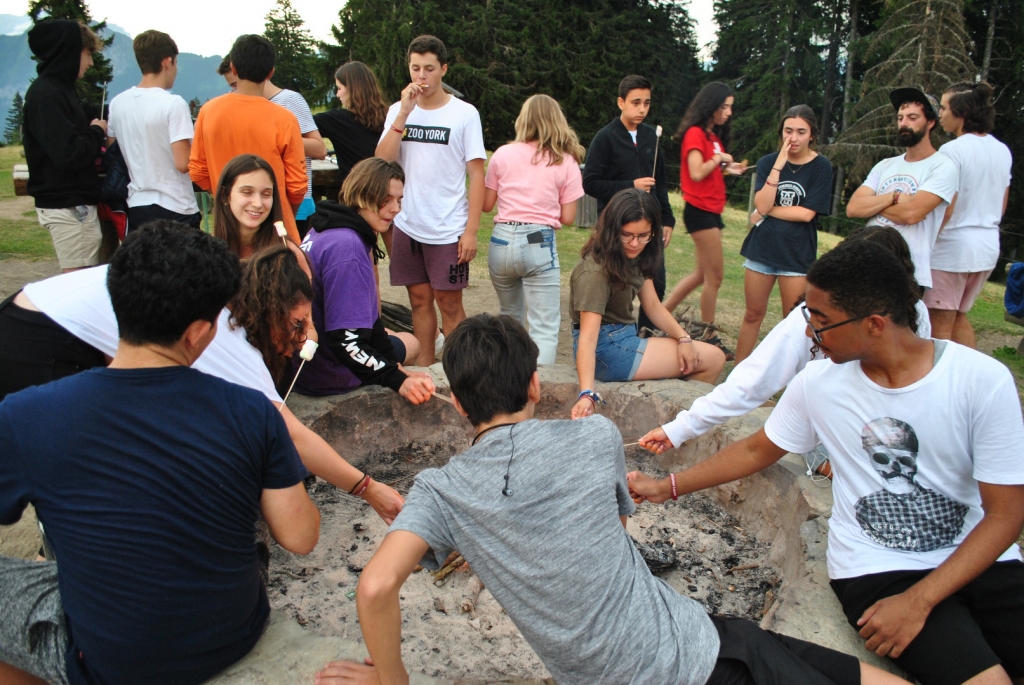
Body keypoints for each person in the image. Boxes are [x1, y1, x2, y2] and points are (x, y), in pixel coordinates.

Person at [314, 313, 910, 685]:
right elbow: (602, 529)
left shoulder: (441, 491)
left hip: (674, 653)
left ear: (460, 405)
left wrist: (390, 680)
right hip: (691, 654)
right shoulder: (595, 435)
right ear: (532, 385)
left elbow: (374, 587)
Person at [631, 240, 1024, 685]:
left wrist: (922, 601)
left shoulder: (981, 381)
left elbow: (1006, 515)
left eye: (820, 321)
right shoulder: (819, 383)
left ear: (874, 324)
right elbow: (758, 448)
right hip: (881, 568)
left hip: (984, 559)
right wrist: (668, 486)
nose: (807, 333)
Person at [0, 223, 321, 685]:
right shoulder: (252, 410)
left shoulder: (28, 414)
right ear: (197, 332)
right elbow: (301, 536)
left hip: (115, 660)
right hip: (232, 633)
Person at [2, 238, 404, 524]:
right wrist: (370, 489)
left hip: (36, 306)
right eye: (297, 324)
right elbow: (293, 436)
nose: (304, 337)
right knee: (75, 465)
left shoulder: (226, 301)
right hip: (38, 336)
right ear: (267, 310)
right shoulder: (224, 335)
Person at [641, 226, 931, 478]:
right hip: (829, 436)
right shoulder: (814, 365)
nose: (811, 332)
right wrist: (678, 432)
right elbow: (750, 388)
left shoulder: (917, 322)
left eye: (822, 325)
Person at [375, 34, 486, 367]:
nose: (421, 77)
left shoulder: (464, 114)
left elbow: (477, 176)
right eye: (415, 68)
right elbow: (382, 160)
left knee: (449, 305)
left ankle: (459, 368)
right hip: (408, 223)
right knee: (419, 300)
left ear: (443, 70)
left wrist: (470, 231)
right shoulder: (399, 111)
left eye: (429, 69)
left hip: (447, 227)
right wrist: (402, 115)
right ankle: (425, 365)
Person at [569, 189, 725, 420]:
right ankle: (681, 424)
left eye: (643, 235)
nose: (635, 243)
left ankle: (676, 422)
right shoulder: (594, 273)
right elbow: (588, 339)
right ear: (612, 230)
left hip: (622, 338)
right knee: (713, 358)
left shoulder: (633, 255)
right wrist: (586, 393)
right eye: (627, 235)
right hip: (606, 349)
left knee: (703, 355)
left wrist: (684, 338)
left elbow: (652, 305)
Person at [295, 158, 435, 403]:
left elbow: (368, 323)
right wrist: (397, 379)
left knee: (389, 337)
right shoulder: (348, 248)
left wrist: (391, 364)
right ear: (362, 194)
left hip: (304, 364)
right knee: (412, 342)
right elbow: (345, 340)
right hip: (329, 373)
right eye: (386, 199)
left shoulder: (322, 228)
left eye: (399, 200)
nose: (396, 209)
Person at [482, 94, 585, 364]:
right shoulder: (566, 161)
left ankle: (506, 383)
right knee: (544, 326)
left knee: (509, 317)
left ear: (523, 120)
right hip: (538, 238)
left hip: (501, 240)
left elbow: (487, 204)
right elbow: (570, 217)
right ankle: (539, 390)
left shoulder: (502, 154)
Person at [735, 105, 833, 363]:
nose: (794, 138)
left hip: (797, 255)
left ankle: (794, 378)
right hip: (762, 249)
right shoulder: (769, 162)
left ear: (812, 134)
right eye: (788, 131)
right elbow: (762, 204)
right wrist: (778, 167)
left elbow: (806, 214)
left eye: (801, 132)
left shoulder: (821, 166)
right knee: (753, 314)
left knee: (793, 321)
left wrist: (765, 211)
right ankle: (739, 373)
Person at [583, 75, 677, 334]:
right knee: (612, 282)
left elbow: (662, 183)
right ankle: (608, 334)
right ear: (621, 102)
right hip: (615, 226)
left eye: (647, 103)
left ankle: (645, 335)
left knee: (654, 283)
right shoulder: (605, 138)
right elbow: (590, 183)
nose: (642, 109)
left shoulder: (652, 138)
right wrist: (630, 185)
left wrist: (667, 219)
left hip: (649, 226)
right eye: (636, 102)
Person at [190, 34, 307, 242]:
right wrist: (282, 208)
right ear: (270, 72)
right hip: (276, 230)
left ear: (233, 68)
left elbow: (198, 171)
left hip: (228, 229)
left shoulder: (208, 112)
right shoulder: (284, 119)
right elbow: (297, 186)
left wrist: (227, 196)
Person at [663, 82, 747, 357]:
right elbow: (697, 172)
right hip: (700, 212)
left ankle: (658, 314)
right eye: (725, 106)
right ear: (711, 106)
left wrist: (729, 168)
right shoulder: (695, 134)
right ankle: (709, 334)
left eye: (731, 107)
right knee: (715, 277)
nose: (729, 112)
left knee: (701, 275)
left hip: (712, 210)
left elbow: (711, 171)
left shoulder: (712, 137)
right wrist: (719, 158)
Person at [846, 87, 959, 291]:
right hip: (867, 262)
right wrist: (895, 197)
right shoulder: (885, 165)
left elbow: (911, 214)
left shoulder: (943, 167)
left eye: (912, 117)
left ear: (931, 122)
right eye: (900, 118)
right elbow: (853, 208)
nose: (904, 123)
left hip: (907, 273)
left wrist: (874, 204)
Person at [928, 82, 1012, 348]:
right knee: (959, 318)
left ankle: (944, 385)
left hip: (953, 251)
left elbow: (946, 205)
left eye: (943, 108)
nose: (939, 114)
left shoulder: (952, 151)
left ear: (960, 112)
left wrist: (926, 240)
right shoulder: (1001, 149)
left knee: (938, 325)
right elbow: (1002, 203)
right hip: (986, 247)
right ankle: (972, 381)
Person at [22, 19, 107, 273]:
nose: (91, 62)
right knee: (78, 284)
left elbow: (77, 117)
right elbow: (68, 153)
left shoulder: (59, 90)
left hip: (72, 204)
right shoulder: (47, 96)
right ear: (69, 51)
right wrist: (96, 132)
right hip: (68, 206)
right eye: (88, 53)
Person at [106, 30, 202, 231]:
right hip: (176, 205)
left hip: (137, 204)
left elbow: (114, 149)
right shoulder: (173, 103)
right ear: (167, 62)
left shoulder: (117, 103)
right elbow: (183, 163)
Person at [314, 62, 388, 187]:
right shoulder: (390, 115)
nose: (337, 95)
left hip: (353, 196)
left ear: (352, 89)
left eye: (339, 88)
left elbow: (298, 125)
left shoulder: (337, 120)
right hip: (386, 192)